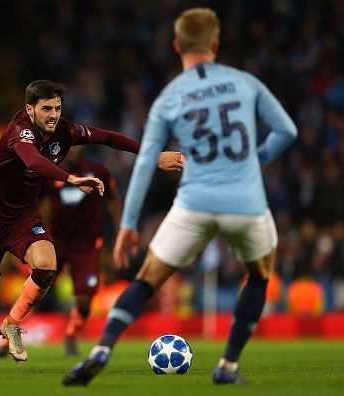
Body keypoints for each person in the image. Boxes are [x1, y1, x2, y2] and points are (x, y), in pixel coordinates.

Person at [63, 7, 297, 386]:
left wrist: (128, 224)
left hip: (195, 202)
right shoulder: (245, 82)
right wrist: (257, 159)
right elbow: (287, 130)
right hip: (246, 201)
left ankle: (101, 350)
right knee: (258, 275)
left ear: (176, 46)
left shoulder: (170, 97)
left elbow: (144, 164)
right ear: (216, 44)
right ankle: (228, 367)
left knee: (146, 280)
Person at [0, 79, 177, 375]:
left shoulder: (65, 131)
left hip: (22, 215)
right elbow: (33, 161)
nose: (53, 114)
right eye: (46, 108)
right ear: (29, 110)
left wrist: (153, 156)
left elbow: (108, 137)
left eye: (57, 108)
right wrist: (70, 178)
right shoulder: (19, 131)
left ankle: (12, 324)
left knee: (47, 266)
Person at [0, 146, 183, 358]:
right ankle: (5, 341)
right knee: (35, 291)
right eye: (69, 145)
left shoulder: (97, 171)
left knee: (85, 302)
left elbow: (112, 198)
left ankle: (70, 336)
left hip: (87, 246)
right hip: (56, 243)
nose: (73, 150)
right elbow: (34, 204)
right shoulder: (50, 172)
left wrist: (121, 228)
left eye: (77, 145)